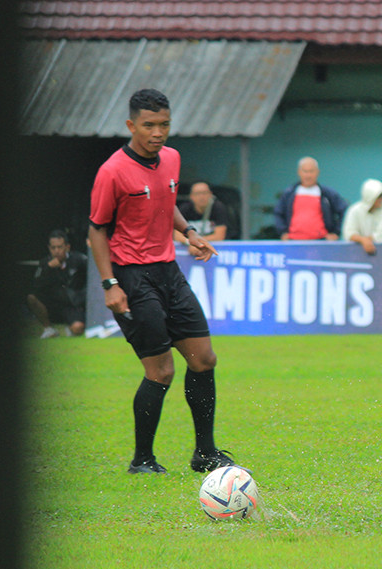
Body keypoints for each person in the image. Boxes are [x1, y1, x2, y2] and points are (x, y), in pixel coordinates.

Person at [88, 88, 240, 475]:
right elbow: (97, 230)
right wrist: (109, 284)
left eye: (164, 125)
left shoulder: (171, 158)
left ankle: (205, 453)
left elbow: (164, 201)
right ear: (131, 125)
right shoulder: (112, 171)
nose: (157, 133)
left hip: (169, 270)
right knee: (161, 371)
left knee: (204, 359)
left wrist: (190, 233)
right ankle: (142, 460)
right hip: (131, 276)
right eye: (149, 125)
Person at [26, 229, 87, 338]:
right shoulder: (45, 263)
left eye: (60, 247)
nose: (56, 251)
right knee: (31, 298)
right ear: (49, 248)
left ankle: (70, 327)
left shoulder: (79, 260)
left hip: (72, 305)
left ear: (67, 247)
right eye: (53, 248)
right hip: (53, 304)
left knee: (77, 328)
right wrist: (48, 268)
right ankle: (48, 328)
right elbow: (36, 286)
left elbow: (91, 281)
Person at [272, 157, 348, 240]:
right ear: (299, 172)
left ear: (318, 172)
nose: (308, 175)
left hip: (321, 242)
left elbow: (345, 211)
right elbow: (278, 213)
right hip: (293, 241)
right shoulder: (289, 194)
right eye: (305, 171)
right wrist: (283, 232)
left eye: (311, 171)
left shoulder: (328, 194)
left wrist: (336, 232)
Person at [341, 178, 382, 255]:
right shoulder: (354, 210)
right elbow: (349, 233)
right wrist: (363, 240)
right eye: (379, 196)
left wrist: (364, 241)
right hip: (365, 254)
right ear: (370, 197)